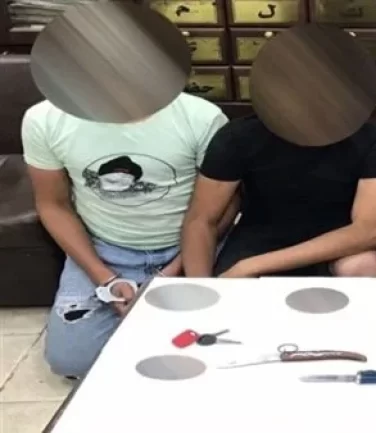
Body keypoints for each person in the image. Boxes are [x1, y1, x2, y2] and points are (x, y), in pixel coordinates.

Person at [22, 93, 237, 378]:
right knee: (71, 361)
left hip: (192, 246)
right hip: (104, 248)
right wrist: (106, 279)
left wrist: (172, 271)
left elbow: (225, 205)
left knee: (216, 344)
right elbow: (53, 205)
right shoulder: (45, 118)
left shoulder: (201, 116)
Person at [180, 115, 376, 278]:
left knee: (363, 266)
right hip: (260, 236)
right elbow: (201, 219)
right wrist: (202, 290)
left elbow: (369, 231)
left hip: (340, 242)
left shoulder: (374, 137)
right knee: (233, 287)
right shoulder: (239, 134)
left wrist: (251, 266)